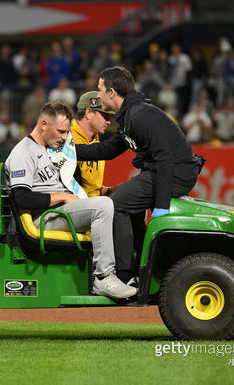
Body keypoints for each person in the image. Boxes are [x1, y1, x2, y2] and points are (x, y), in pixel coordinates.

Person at [76, 66, 203, 283]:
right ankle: (141, 268)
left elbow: (165, 158)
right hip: (165, 171)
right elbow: (107, 151)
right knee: (128, 205)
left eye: (100, 89)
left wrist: (161, 206)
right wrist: (67, 150)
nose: (98, 95)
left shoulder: (140, 116)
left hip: (175, 173)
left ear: (112, 92)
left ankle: (124, 275)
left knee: (116, 205)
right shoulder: (130, 116)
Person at [5, 101, 137, 299]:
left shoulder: (53, 148)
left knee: (121, 202)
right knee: (104, 206)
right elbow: (21, 198)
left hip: (62, 211)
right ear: (43, 125)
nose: (65, 137)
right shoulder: (23, 153)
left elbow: (102, 152)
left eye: (67, 132)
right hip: (45, 218)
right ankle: (103, 276)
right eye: (60, 131)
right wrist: (62, 196)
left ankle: (129, 274)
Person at [71, 91, 116, 197]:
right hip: (72, 206)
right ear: (89, 113)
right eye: (105, 116)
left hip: (93, 205)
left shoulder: (97, 141)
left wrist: (110, 190)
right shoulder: (65, 137)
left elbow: (92, 189)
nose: (108, 121)